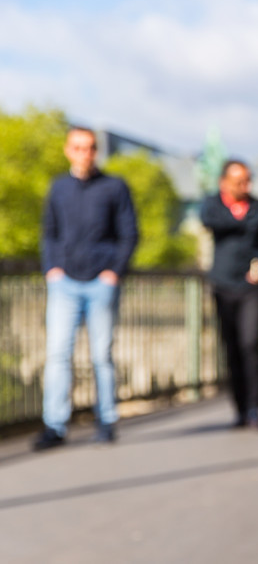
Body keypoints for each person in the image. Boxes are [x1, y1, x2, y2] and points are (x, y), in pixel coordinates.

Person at [34, 126, 138, 451]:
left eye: (90, 147)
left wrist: (114, 272)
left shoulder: (114, 187)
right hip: (64, 282)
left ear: (96, 151)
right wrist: (52, 268)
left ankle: (106, 420)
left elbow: (129, 233)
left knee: (101, 355)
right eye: (78, 147)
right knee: (58, 354)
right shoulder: (59, 187)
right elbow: (49, 232)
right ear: (68, 150)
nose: (84, 153)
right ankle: (55, 425)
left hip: (100, 282)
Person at [201, 160, 258, 429]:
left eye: (248, 180)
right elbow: (210, 221)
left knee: (250, 344)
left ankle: (254, 409)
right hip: (223, 285)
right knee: (231, 348)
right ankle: (238, 408)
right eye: (239, 181)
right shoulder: (213, 205)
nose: (245, 186)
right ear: (224, 182)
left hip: (251, 286)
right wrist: (240, 219)